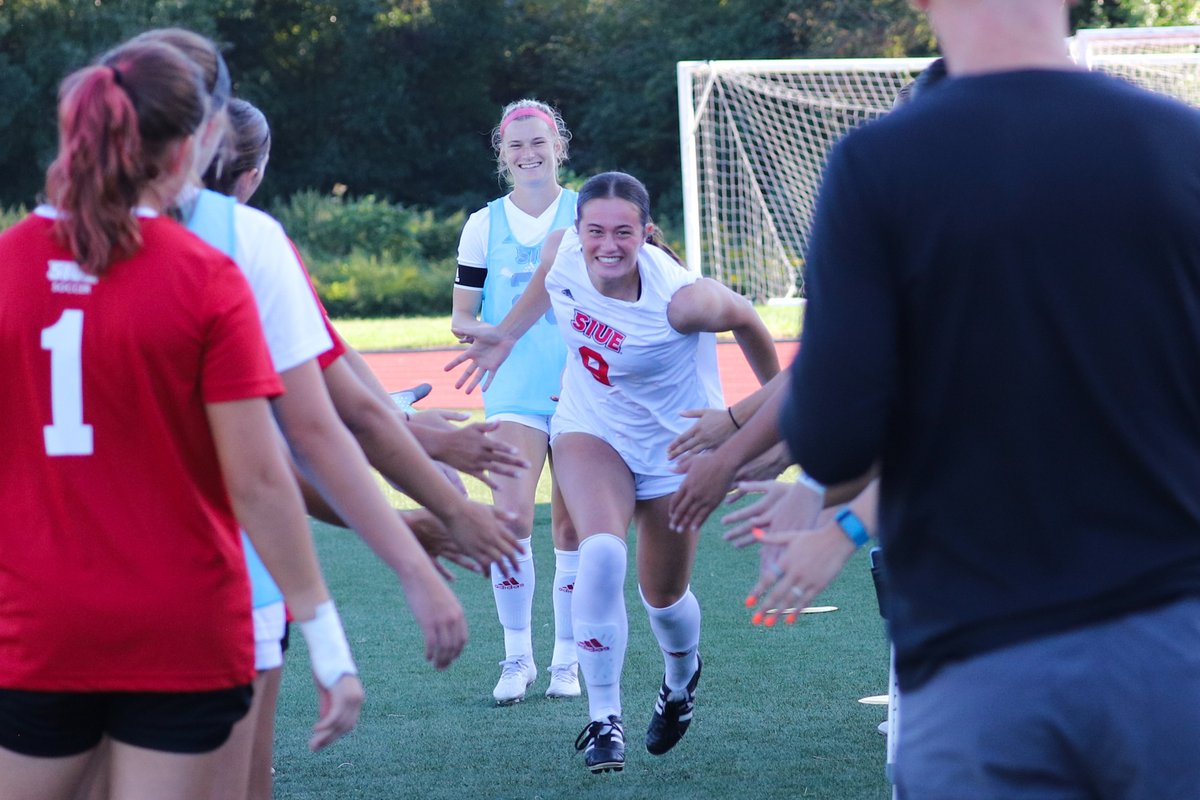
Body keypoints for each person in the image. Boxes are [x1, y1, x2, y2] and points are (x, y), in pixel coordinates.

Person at [774, 0, 1200, 796]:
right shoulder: (1181, 143)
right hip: (1175, 647)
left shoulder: (880, 164)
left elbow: (833, 436)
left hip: (982, 653)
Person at [0, 42, 362, 800]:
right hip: (184, 626)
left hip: (40, 626)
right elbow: (262, 477)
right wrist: (326, 642)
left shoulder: (7, 266)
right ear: (194, 143)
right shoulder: (206, 275)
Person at [448, 171, 779, 773]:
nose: (607, 245)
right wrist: (504, 337)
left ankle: (680, 681)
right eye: (594, 230)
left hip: (673, 450)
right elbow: (549, 284)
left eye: (622, 233)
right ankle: (604, 720)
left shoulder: (684, 300)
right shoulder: (562, 251)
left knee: (664, 597)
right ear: (576, 231)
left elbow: (751, 322)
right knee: (600, 552)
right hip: (590, 428)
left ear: (646, 233)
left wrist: (745, 424)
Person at [451, 99, 582, 703]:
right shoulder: (483, 224)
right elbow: (463, 317)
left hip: (586, 386)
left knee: (573, 527)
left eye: (539, 142)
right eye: (516, 146)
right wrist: (482, 337)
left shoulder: (589, 212)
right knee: (510, 520)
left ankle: (566, 662)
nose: (529, 154)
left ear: (560, 144)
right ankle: (516, 658)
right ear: (502, 156)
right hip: (512, 388)